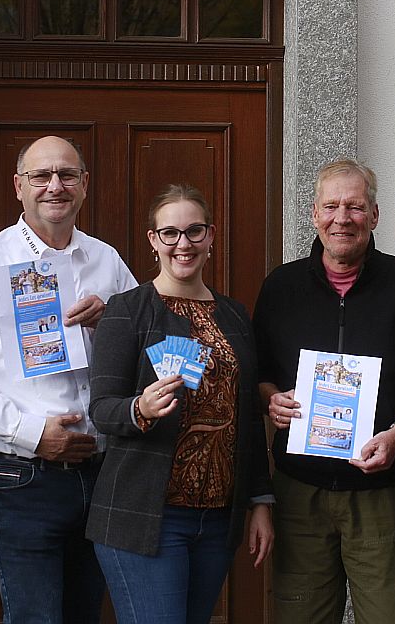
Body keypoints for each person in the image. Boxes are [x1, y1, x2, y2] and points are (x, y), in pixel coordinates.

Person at [0, 135, 137, 623]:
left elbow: (149, 352)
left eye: (67, 175)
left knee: (86, 615)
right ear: (18, 187)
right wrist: (32, 435)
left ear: (84, 185)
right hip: (21, 475)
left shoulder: (107, 261)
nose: (55, 186)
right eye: (41, 176)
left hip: (102, 472)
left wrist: (113, 322)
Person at [254, 159, 395, 624]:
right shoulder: (282, 286)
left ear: (375, 216)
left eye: (356, 207)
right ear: (314, 214)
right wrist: (270, 400)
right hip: (300, 492)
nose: (343, 217)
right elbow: (259, 374)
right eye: (332, 206)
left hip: (384, 493)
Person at [87, 184, 274, 624]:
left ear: (211, 237)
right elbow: (102, 409)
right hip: (147, 514)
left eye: (194, 231)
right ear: (153, 240)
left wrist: (260, 501)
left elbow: (248, 419)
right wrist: (140, 409)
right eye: (169, 233)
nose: (183, 244)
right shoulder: (128, 310)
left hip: (216, 518)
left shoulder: (234, 316)